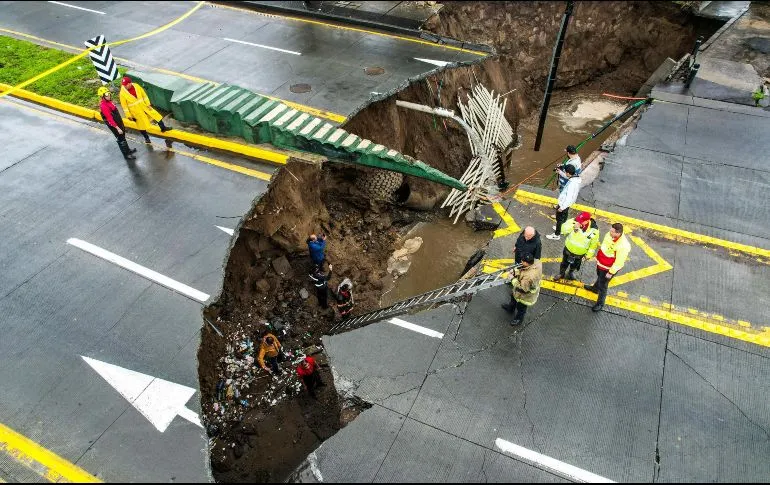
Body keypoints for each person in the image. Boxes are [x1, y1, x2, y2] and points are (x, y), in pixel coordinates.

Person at [584, 223, 631, 312]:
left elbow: (619, 262)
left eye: (612, 231)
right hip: (601, 263)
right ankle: (595, 288)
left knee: (603, 286)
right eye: (611, 230)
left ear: (618, 233)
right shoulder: (609, 235)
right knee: (600, 278)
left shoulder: (623, 246)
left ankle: (600, 304)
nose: (610, 232)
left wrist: (611, 272)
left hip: (608, 269)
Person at [119, 76, 171, 145]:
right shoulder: (122, 93)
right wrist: (129, 115)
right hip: (136, 111)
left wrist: (148, 104)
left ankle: (163, 128)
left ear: (130, 83)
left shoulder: (137, 86)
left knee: (156, 116)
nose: (125, 86)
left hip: (145, 106)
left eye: (126, 85)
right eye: (124, 85)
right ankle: (146, 138)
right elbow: (124, 106)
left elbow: (144, 95)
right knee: (141, 125)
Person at [555, 211, 600, 281]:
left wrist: (589, 255)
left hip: (580, 253)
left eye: (581, 221)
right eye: (579, 220)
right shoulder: (573, 221)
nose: (579, 222)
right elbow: (563, 229)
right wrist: (573, 227)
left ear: (587, 221)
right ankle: (561, 273)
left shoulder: (594, 230)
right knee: (564, 263)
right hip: (568, 249)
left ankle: (571, 273)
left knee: (575, 265)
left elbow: (593, 244)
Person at [501, 252, 542, 326]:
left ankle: (518, 319)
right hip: (520, 290)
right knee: (513, 297)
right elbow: (524, 270)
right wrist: (515, 271)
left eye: (522, 261)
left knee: (521, 308)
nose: (521, 262)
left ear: (526, 263)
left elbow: (522, 288)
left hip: (525, 296)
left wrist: (512, 278)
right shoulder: (536, 262)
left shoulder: (529, 277)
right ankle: (511, 308)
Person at [98, 87, 136, 161]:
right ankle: (126, 155)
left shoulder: (109, 102)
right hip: (115, 126)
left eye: (109, 93)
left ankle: (128, 150)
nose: (109, 95)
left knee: (123, 137)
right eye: (106, 94)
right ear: (102, 97)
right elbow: (109, 119)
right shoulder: (103, 106)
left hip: (119, 123)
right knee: (121, 139)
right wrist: (117, 128)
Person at [546, 164, 581, 241]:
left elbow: (568, 197)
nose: (565, 173)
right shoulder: (575, 178)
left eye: (565, 172)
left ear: (568, 173)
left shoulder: (572, 183)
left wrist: (561, 207)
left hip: (564, 204)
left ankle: (556, 234)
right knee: (564, 217)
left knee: (559, 219)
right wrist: (560, 172)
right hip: (567, 204)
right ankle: (561, 228)